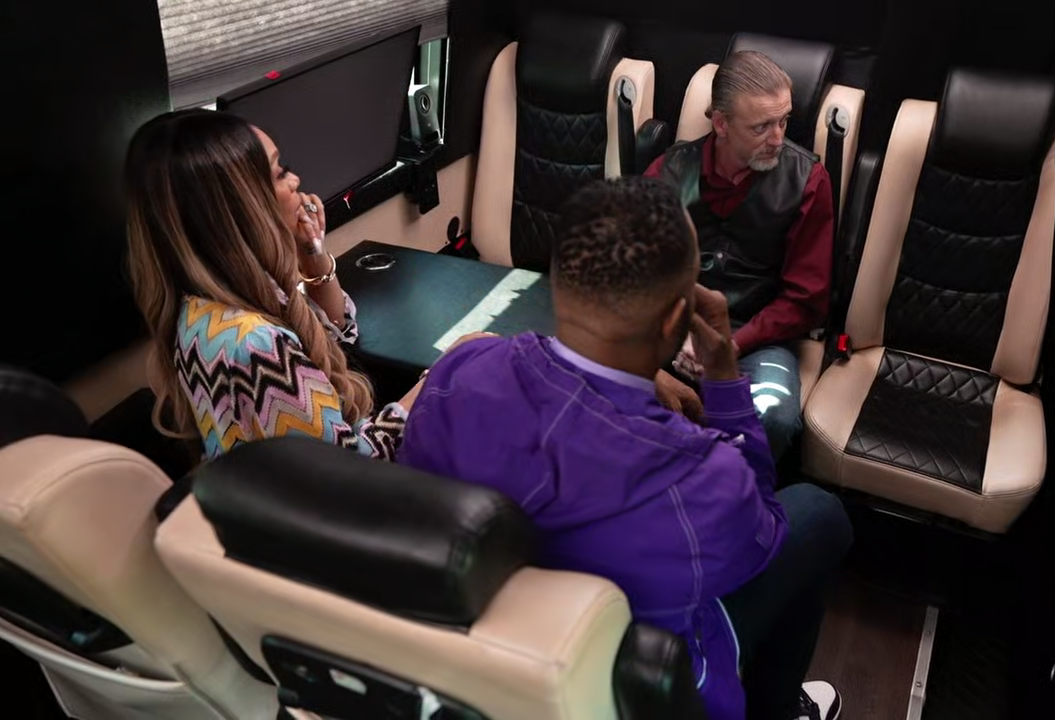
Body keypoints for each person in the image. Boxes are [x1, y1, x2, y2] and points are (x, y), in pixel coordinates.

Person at [398, 177, 852, 720]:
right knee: (819, 514)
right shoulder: (702, 475)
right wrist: (724, 377)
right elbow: (763, 534)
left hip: (480, 672)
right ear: (675, 320)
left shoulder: (459, 369)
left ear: (559, 284)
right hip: (641, 691)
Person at [124, 108, 424, 461]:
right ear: (243, 207)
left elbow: (336, 343)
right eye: (280, 172)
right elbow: (355, 465)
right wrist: (433, 386)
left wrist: (312, 255)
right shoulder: (257, 344)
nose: (295, 180)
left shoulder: (202, 307)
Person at [644, 50, 835, 461]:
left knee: (773, 419)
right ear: (721, 123)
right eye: (762, 126)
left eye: (784, 121)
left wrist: (729, 344)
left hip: (756, 336)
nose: (778, 139)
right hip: (673, 323)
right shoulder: (668, 173)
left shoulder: (808, 181)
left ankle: (731, 495)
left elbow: (806, 300)